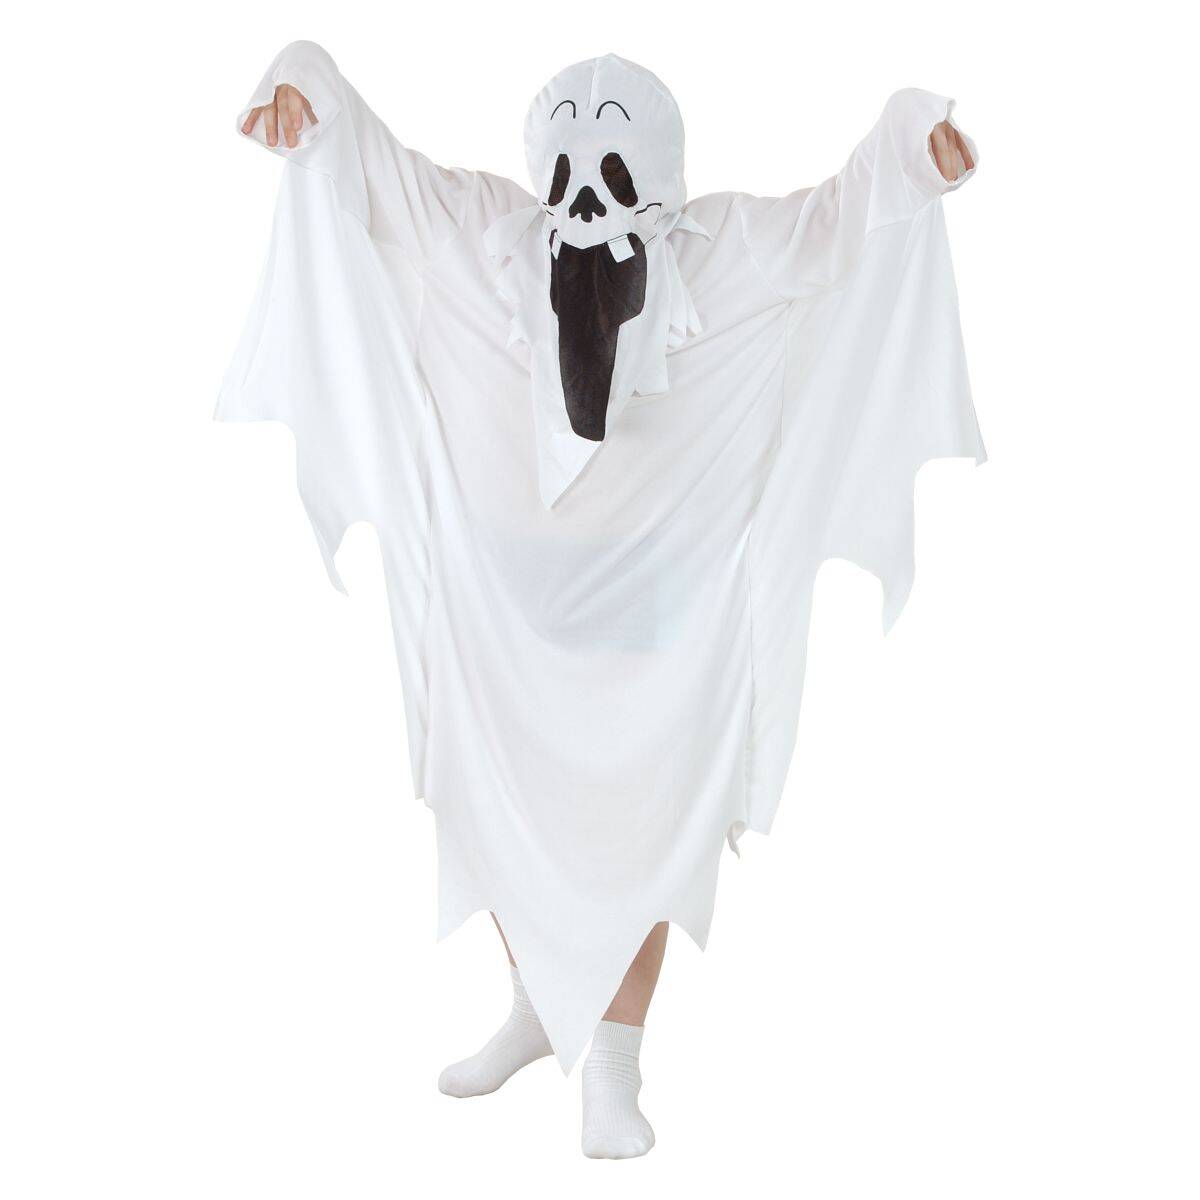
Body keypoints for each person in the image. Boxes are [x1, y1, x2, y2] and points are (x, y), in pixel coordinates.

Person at [224, 42, 981, 1160]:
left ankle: (614, 1061)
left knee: (639, 824)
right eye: (570, 172)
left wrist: (913, 139)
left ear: (662, 169)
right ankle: (538, 1008)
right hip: (506, 605)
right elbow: (372, 163)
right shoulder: (484, 234)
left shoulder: (725, 253)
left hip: (658, 609)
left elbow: (839, 215)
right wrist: (305, 90)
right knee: (498, 802)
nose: (587, 202)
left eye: (617, 172)